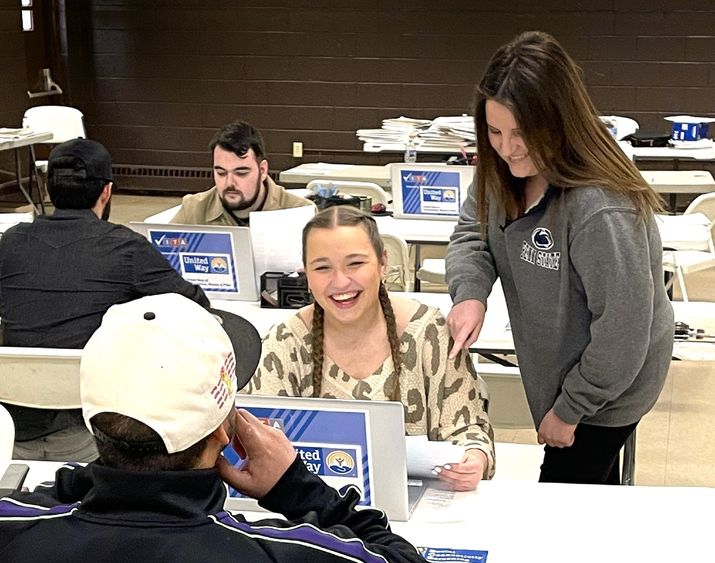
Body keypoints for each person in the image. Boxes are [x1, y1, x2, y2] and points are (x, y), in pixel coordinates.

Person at [0, 294, 423, 562]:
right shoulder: (287, 552)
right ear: (225, 431)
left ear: (93, 424)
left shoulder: (15, 532)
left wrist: (106, 480)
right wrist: (294, 487)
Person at [445, 31, 674, 485]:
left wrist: (571, 410)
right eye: (494, 131)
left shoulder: (600, 206)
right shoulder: (502, 170)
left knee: (562, 500)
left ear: (559, 122)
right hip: (560, 365)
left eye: (523, 133)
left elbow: (624, 332)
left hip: (609, 389)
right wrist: (470, 293)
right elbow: (472, 230)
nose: (508, 148)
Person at [247, 206, 495, 491]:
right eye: (322, 267)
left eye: (355, 264)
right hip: (311, 517)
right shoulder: (283, 344)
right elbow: (257, 441)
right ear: (305, 272)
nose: (340, 281)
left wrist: (473, 460)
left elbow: (470, 430)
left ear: (382, 263)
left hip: (422, 515)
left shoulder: (430, 332)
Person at [0, 138, 209, 462]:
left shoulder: (9, 243)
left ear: (47, 188)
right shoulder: (125, 249)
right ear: (106, 192)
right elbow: (196, 306)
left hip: (9, 428)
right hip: (91, 431)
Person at [170, 121, 313, 226]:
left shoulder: (300, 212)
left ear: (262, 171)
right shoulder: (194, 210)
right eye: (221, 173)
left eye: (241, 173)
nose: (229, 183)